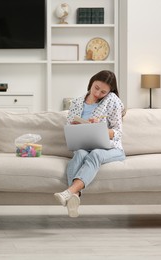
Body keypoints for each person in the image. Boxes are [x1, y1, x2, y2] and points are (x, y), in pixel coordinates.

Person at [54, 70, 126, 217]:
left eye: (103, 92)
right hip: (83, 145)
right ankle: (74, 198)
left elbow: (118, 132)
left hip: (111, 148)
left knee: (96, 154)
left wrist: (100, 129)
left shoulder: (112, 100)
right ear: (91, 82)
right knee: (80, 154)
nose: (98, 93)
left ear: (110, 92)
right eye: (96, 88)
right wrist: (77, 126)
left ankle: (69, 192)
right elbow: (68, 128)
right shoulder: (77, 102)